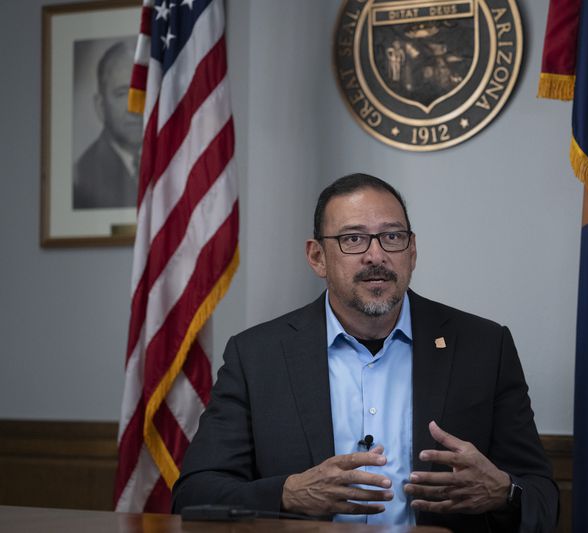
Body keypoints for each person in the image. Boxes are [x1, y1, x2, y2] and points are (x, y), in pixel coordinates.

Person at [172, 174, 559, 532]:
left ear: (412, 251)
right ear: (317, 257)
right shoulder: (257, 356)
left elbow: (543, 498)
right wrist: (288, 494)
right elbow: (194, 495)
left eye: (392, 237)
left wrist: (504, 492)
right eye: (353, 239)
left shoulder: (484, 347)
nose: (376, 256)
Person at [73, 40, 142, 209]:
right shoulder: (80, 177)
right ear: (101, 106)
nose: (133, 108)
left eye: (141, 91)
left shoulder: (175, 162)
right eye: (121, 94)